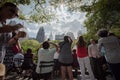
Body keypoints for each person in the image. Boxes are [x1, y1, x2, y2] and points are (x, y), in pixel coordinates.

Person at [0, 2, 24, 73]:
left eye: (16, 15)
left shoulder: (5, 24)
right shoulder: (7, 27)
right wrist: (2, 30)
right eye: (12, 11)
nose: (13, 14)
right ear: (4, 7)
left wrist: (17, 37)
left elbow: (7, 43)